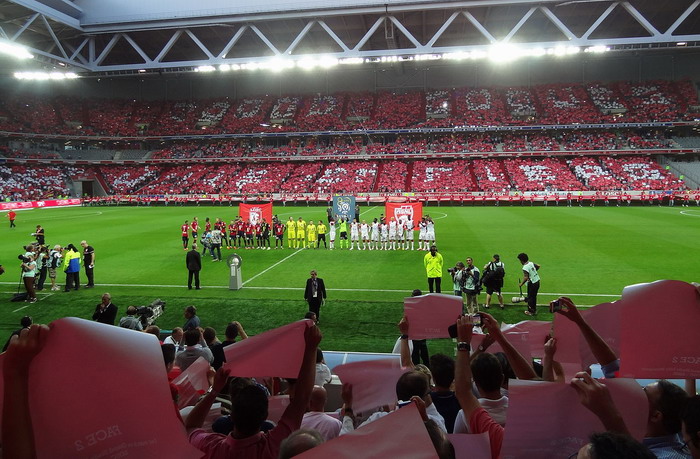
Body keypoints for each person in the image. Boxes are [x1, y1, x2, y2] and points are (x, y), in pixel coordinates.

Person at [186, 323, 322, 459]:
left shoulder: (212, 447)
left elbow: (191, 426)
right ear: (265, 417)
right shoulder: (273, 446)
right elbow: (301, 399)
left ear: (231, 415)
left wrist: (215, 390)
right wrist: (311, 349)